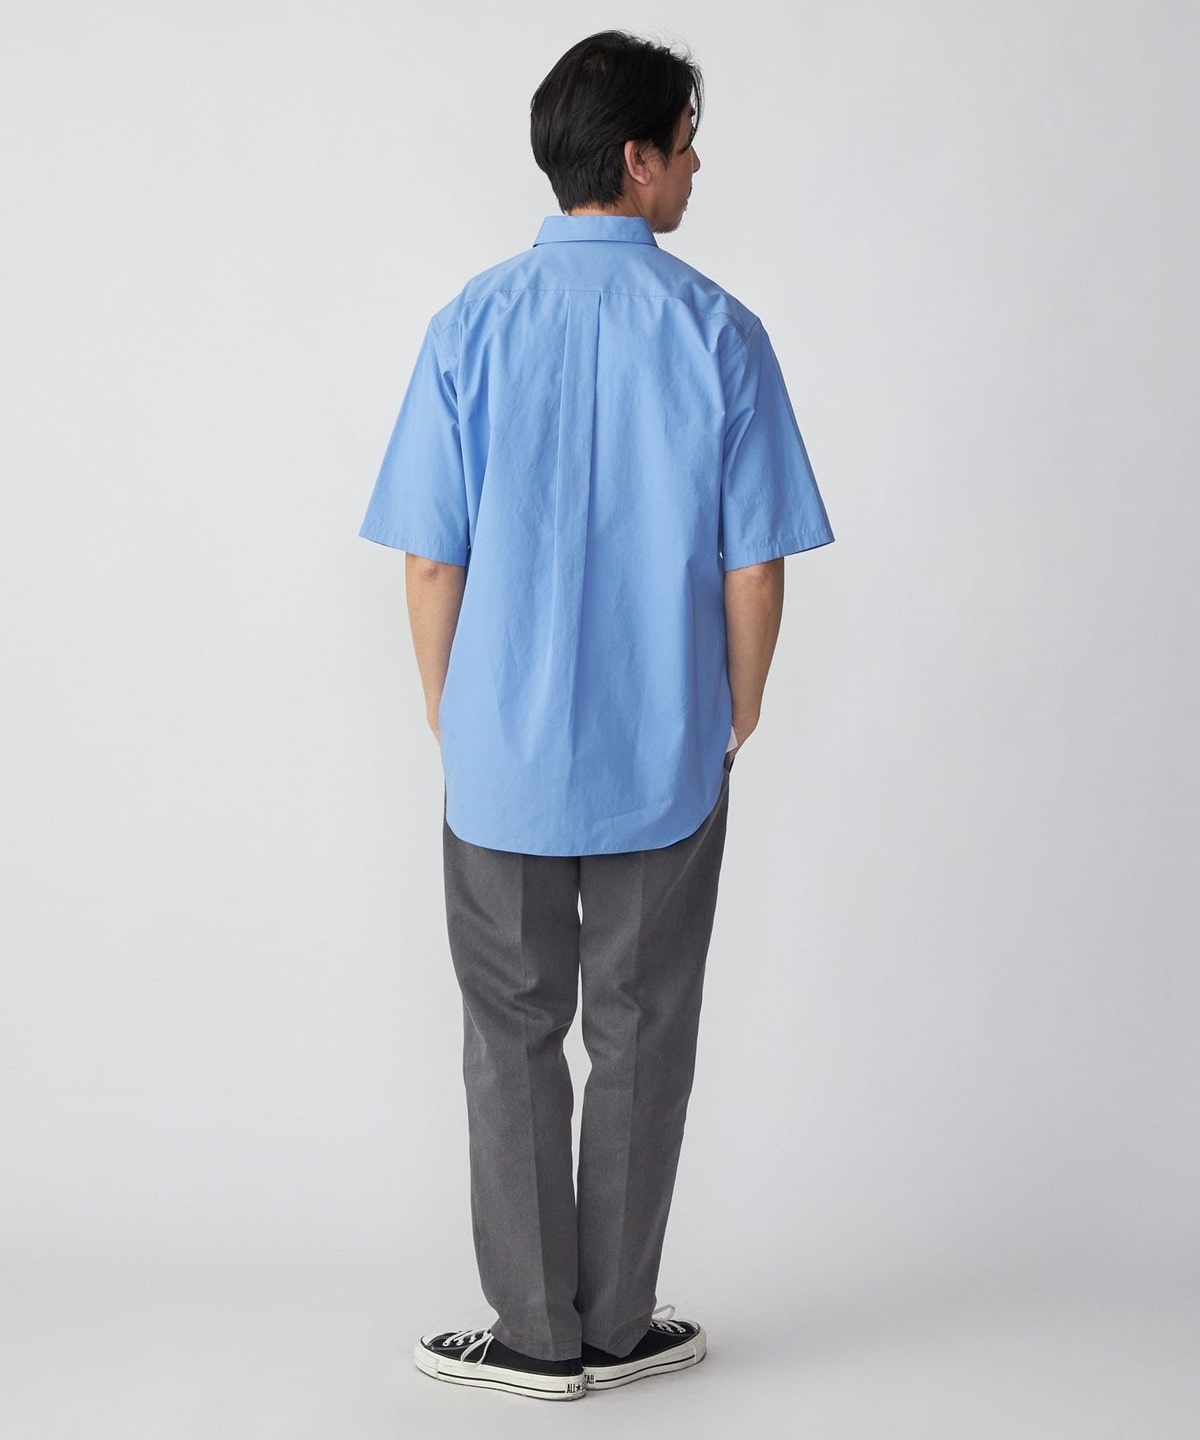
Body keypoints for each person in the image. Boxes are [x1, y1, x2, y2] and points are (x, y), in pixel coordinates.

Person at [358, 29, 835, 1402]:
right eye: (684, 143)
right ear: (635, 160)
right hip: (664, 753)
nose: (695, 165)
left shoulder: (470, 324)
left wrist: (454, 712)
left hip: (499, 756)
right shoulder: (719, 331)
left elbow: (430, 558)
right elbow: (757, 565)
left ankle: (533, 1335)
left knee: (509, 1032)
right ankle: (618, 1327)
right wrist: (737, 711)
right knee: (642, 1028)